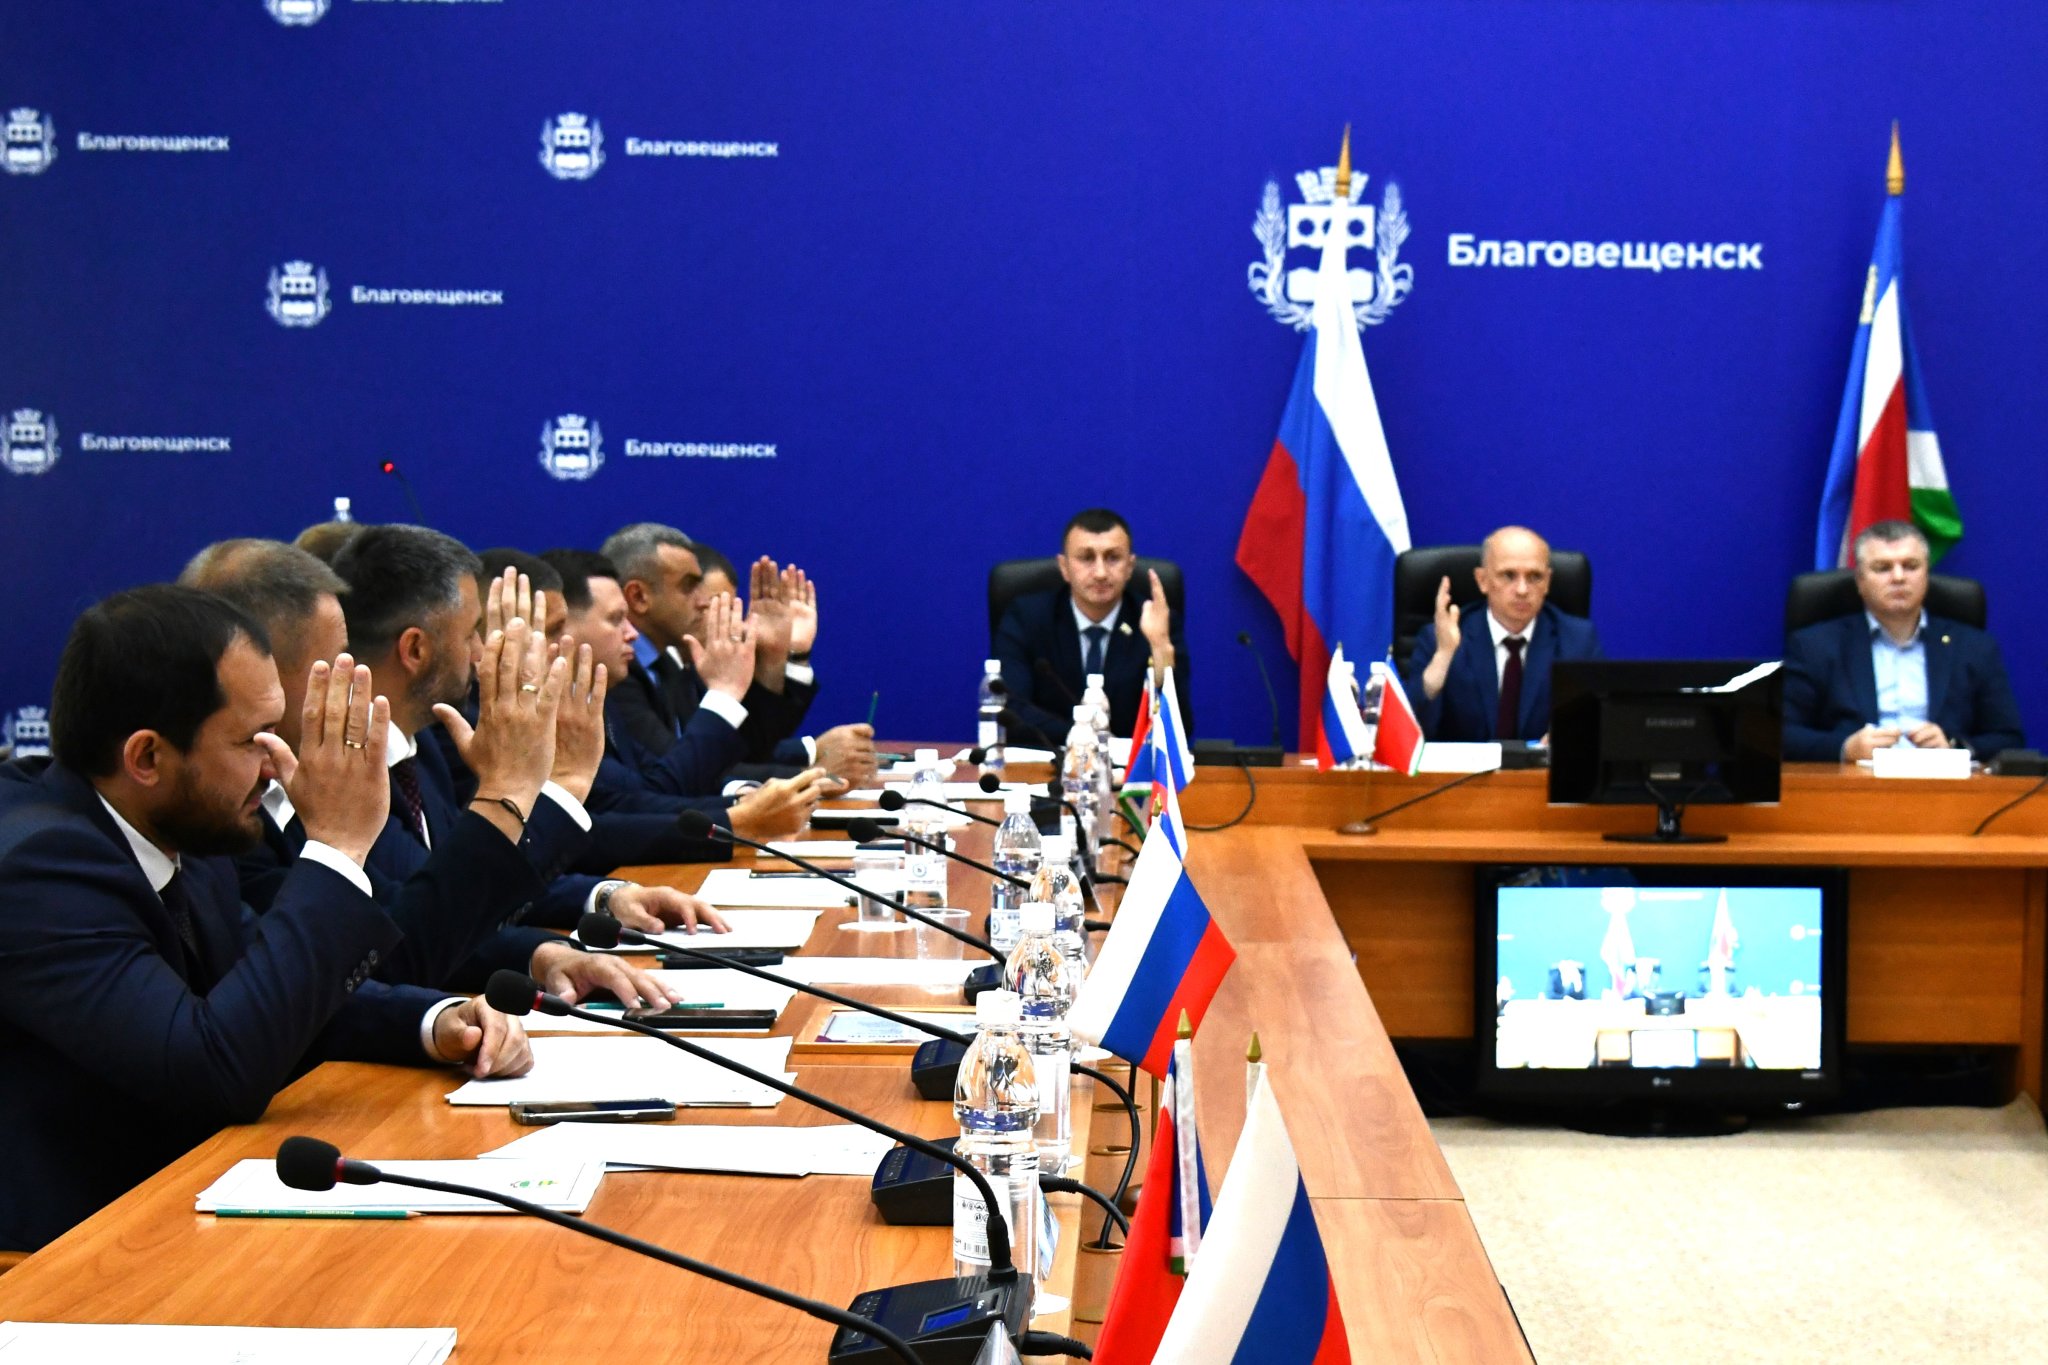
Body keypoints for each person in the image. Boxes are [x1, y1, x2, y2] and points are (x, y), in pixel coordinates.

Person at [0, 586, 530, 1251]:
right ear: (147, 757)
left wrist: (434, 1021)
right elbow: (211, 1069)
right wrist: (336, 847)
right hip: (62, 1256)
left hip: (175, 1206)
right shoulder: (39, 868)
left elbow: (263, 990)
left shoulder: (182, 827)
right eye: (254, 740)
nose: (279, 767)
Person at [179, 540, 695, 1000]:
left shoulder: (421, 747)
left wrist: (541, 951)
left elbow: (408, 911)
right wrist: (529, 788)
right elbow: (396, 943)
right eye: (340, 658)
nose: (482, 653)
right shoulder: (227, 816)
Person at [329, 526, 711, 931]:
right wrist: (546, 784)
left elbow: (470, 886)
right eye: (471, 634)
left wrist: (601, 897)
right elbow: (433, 915)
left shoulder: (419, 745)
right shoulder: (353, 767)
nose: (481, 653)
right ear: (416, 649)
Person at [546, 550, 830, 840]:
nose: (703, 601)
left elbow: (649, 789)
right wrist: (740, 817)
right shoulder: (617, 685)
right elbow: (663, 783)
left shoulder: (661, 669)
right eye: (616, 618)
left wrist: (742, 804)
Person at [599, 524, 873, 782]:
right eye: (689, 586)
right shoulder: (613, 673)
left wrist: (774, 656)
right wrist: (810, 773)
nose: (703, 602)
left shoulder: (667, 665)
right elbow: (680, 771)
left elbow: (738, 750)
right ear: (639, 597)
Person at [1782, 519, 2025, 762]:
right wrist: (1845, 748)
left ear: (1926, 575)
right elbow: (1782, 734)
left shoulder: (1974, 647)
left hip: (1941, 782)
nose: (1898, 577)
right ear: (1860, 581)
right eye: (1882, 568)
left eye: (1910, 566)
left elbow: (2008, 738)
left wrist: (1954, 747)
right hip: (1855, 781)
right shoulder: (1814, 646)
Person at [993, 508, 1186, 740]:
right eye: (1086, 558)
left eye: (1113, 558)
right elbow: (1012, 710)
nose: (1100, 573)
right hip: (1052, 757)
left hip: (1130, 763)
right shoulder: (1026, 618)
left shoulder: (1156, 622)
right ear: (1064, 567)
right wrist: (1082, 739)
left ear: (1130, 567)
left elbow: (1181, 727)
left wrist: (1160, 649)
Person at [1402, 525, 1602, 743]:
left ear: (1547, 583)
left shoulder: (1578, 640)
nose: (1522, 590)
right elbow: (1410, 732)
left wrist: (1570, 736)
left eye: (1535, 577)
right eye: (1508, 575)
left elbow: (1598, 721)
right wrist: (1443, 657)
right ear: (1482, 580)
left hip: (1540, 766)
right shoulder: (1441, 637)